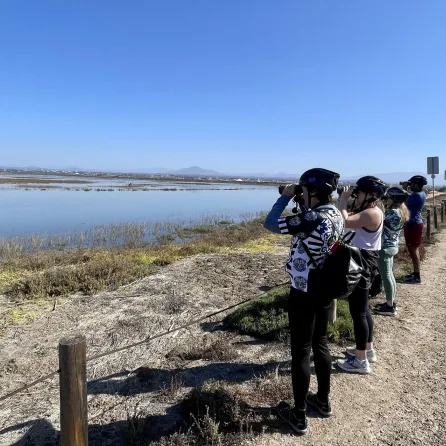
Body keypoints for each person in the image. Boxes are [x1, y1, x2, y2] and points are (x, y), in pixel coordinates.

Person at [263, 168, 344, 435]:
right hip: (324, 288)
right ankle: (322, 401)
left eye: (303, 189)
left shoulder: (311, 218)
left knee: (300, 351)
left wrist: (285, 197)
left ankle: (298, 416)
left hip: (304, 290)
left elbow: (271, 223)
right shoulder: (336, 214)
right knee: (320, 343)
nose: (300, 192)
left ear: (313, 191)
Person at [336, 176, 387, 374]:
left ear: (370, 195)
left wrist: (343, 199)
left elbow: (345, 222)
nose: (356, 197)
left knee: (358, 313)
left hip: (362, 264)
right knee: (364, 310)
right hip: (365, 262)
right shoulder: (373, 211)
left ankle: (360, 361)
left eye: (358, 194)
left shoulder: (372, 213)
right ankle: (368, 349)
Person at [374, 187, 409, 316]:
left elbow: (378, 222)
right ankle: (391, 302)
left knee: (386, 276)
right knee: (390, 275)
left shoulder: (393, 213)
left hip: (385, 248)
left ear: (394, 199)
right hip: (392, 246)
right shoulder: (401, 212)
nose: (386, 200)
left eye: (387, 198)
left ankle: (389, 307)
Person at [403, 175, 427, 284]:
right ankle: (415, 273)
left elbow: (403, 202)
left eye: (412, 184)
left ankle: (417, 276)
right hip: (413, 224)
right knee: (412, 249)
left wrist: (404, 189)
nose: (411, 186)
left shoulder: (416, 196)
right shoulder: (421, 194)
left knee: (414, 250)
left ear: (417, 185)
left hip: (414, 225)